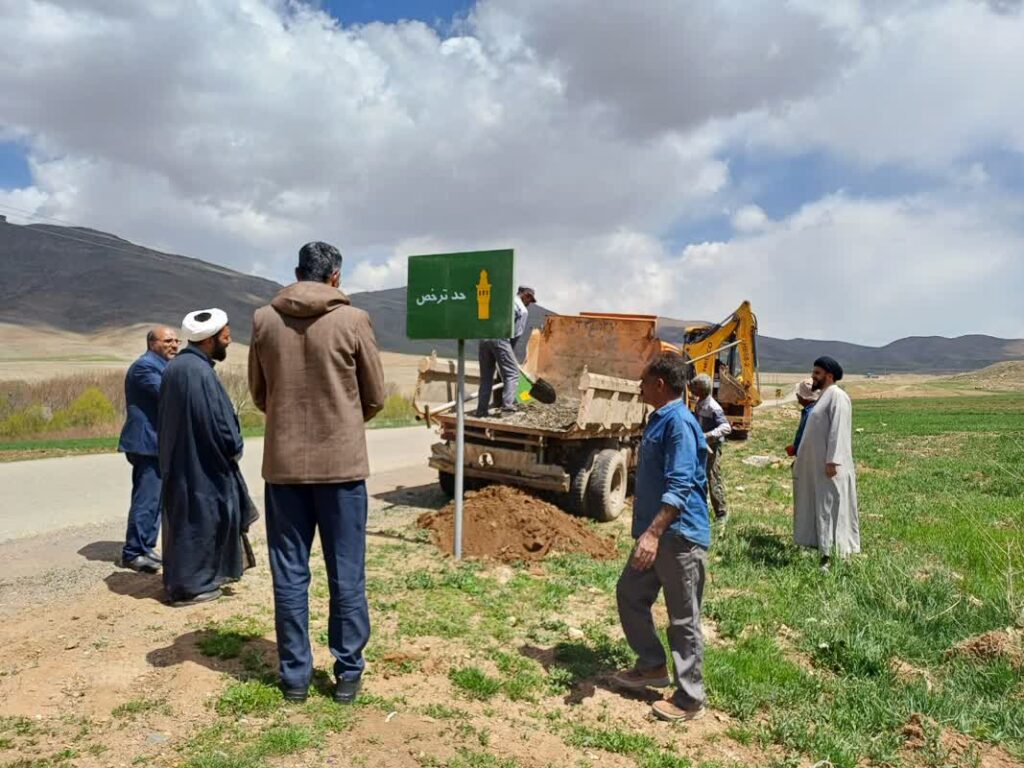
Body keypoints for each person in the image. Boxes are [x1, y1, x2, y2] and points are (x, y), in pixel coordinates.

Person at [249, 241, 386, 705]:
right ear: (336, 278)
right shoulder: (353, 320)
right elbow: (375, 395)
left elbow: (259, 394)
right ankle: (347, 675)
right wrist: (342, 421)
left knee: (289, 575)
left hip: (283, 468)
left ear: (297, 273)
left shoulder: (264, 320)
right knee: (346, 575)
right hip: (342, 469)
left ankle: (294, 679)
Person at [611, 353, 710, 723]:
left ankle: (690, 698)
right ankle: (652, 665)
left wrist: (652, 534)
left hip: (677, 537)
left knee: (683, 618)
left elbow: (681, 482)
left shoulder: (679, 423)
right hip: (656, 534)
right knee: (630, 593)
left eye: (643, 380)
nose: (638, 386)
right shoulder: (661, 419)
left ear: (659, 385)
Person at [158, 308, 256, 605]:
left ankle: (183, 582)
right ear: (210, 339)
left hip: (181, 461)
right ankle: (193, 586)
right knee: (201, 521)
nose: (229, 341)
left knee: (186, 518)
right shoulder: (199, 373)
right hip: (202, 466)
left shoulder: (177, 367)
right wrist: (233, 448)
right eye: (225, 337)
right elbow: (220, 425)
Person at [118, 326, 179, 573]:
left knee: (155, 500)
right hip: (146, 444)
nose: (174, 345)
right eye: (168, 341)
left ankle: (145, 547)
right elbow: (168, 393)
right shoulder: (144, 367)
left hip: (157, 444)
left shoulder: (163, 366)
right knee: (147, 499)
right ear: (152, 342)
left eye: (176, 341)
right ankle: (133, 552)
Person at [792, 356, 860, 571]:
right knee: (820, 507)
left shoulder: (838, 396)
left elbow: (838, 431)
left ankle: (831, 555)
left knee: (830, 508)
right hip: (817, 467)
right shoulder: (823, 397)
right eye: (813, 373)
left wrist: (833, 461)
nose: (813, 377)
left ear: (829, 376)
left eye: (817, 373)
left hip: (829, 467)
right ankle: (822, 548)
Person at [475, 286, 535, 417]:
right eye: (530, 300)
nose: (529, 304)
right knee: (512, 374)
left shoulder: (502, 301)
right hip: (500, 338)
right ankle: (507, 408)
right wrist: (507, 356)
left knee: (486, 378)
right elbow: (515, 334)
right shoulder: (522, 310)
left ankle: (481, 410)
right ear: (526, 296)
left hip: (484, 338)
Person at [687, 373, 731, 522]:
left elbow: (726, 427)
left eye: (695, 388)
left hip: (712, 446)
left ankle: (721, 513)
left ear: (701, 390)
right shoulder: (700, 402)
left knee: (713, 478)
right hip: (702, 446)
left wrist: (707, 435)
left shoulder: (713, 407)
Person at [785, 379, 819, 457]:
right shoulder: (813, 410)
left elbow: (808, 441)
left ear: (805, 397)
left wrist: (795, 450)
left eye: (799, 393)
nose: (797, 395)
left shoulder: (811, 414)